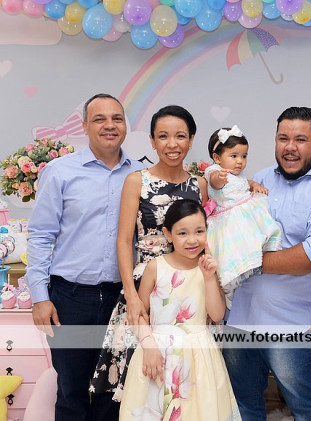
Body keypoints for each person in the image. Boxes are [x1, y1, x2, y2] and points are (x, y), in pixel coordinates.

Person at [222, 107, 311, 421]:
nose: (290, 147)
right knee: (242, 406)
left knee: (306, 409)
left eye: (300, 139)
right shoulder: (259, 180)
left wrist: (246, 261)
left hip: (292, 323)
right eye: (283, 138)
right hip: (241, 316)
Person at [27, 93, 145, 421]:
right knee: (71, 392)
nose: (110, 125)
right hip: (70, 299)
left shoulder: (141, 175)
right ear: (84, 126)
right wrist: (39, 297)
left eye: (117, 118)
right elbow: (41, 234)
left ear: (125, 125)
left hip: (122, 299)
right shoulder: (59, 171)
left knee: (114, 392)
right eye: (99, 119)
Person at [91, 105, 208, 402]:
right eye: (163, 136)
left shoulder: (199, 185)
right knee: (140, 380)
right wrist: (131, 296)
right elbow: (123, 241)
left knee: (183, 383)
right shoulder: (137, 181)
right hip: (146, 289)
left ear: (191, 140)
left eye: (180, 136)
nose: (172, 144)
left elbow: (205, 238)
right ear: (153, 141)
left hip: (187, 290)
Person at [119, 199, 240, 420]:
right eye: (182, 233)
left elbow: (217, 315)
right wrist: (148, 345)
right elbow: (139, 315)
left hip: (199, 356)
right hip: (157, 353)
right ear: (168, 234)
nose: (192, 240)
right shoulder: (155, 267)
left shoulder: (209, 268)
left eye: (199, 231)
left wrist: (209, 278)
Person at [204, 125, 283, 307]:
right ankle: (230, 290)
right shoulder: (214, 171)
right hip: (229, 223)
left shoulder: (238, 175)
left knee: (252, 243)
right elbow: (214, 182)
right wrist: (219, 179)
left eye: (244, 156)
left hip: (245, 218)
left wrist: (254, 185)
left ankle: (252, 266)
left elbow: (246, 182)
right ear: (217, 158)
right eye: (234, 156)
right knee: (234, 254)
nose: (240, 161)